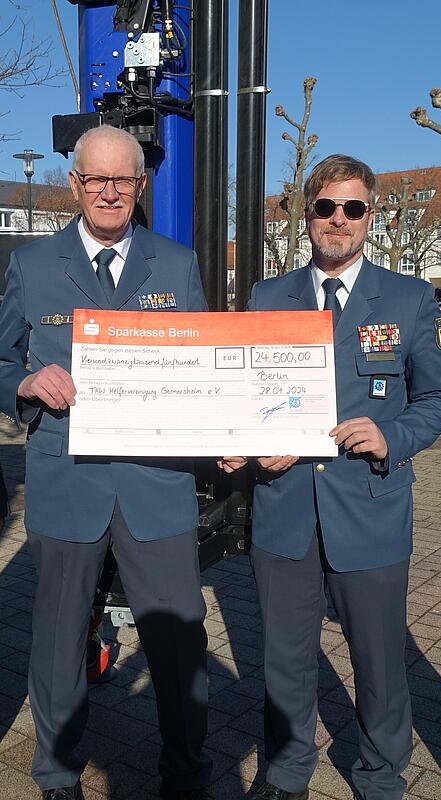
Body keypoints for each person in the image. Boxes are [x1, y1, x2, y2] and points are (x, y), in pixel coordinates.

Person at [221, 154, 441, 800]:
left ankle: (381, 776)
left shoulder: (407, 298)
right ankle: (287, 769)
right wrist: (241, 443)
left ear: (371, 216)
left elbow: (435, 398)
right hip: (285, 509)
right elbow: (246, 393)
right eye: (325, 207)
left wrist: (392, 436)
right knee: (284, 658)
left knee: (379, 661)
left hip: (369, 507)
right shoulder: (267, 297)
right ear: (307, 215)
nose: (338, 220)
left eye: (352, 208)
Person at [0, 125, 214, 800]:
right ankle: (56, 772)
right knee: (59, 639)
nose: (110, 192)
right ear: (75, 184)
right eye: (97, 179)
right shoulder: (32, 265)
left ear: (140, 186)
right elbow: (1, 360)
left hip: (157, 485)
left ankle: (186, 773)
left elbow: (205, 367)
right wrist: (24, 383)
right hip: (68, 483)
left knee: (179, 643)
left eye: (124, 180)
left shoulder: (176, 264)